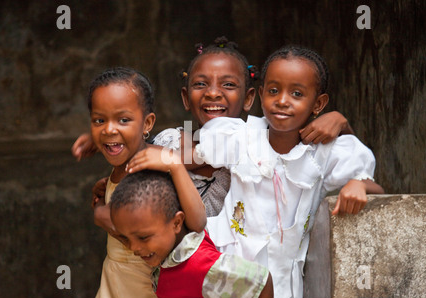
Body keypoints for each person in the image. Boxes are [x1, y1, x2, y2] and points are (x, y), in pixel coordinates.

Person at [192, 45, 385, 298]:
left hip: (286, 285)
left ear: (319, 103)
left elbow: (377, 189)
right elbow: (190, 155)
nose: (282, 100)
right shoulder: (239, 136)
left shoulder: (323, 154)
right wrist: (156, 156)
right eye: (273, 91)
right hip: (226, 276)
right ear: (260, 95)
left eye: (296, 93)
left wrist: (359, 184)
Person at [126, 37, 356, 217]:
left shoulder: (262, 142)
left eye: (228, 84)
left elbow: (345, 159)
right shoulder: (171, 140)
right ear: (186, 98)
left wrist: (340, 123)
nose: (213, 92)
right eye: (200, 84)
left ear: (249, 99)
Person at [84, 67, 206, 298]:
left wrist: (175, 165)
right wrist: (108, 188)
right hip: (114, 281)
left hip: (143, 290)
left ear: (148, 123)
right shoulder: (123, 164)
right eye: (99, 120)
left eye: (123, 119)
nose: (109, 129)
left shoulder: (157, 164)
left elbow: (197, 222)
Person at [109, 170, 274, 298]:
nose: (134, 248)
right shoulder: (166, 253)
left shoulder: (198, 264)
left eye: (143, 237)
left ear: (176, 223)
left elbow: (262, 282)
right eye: (126, 239)